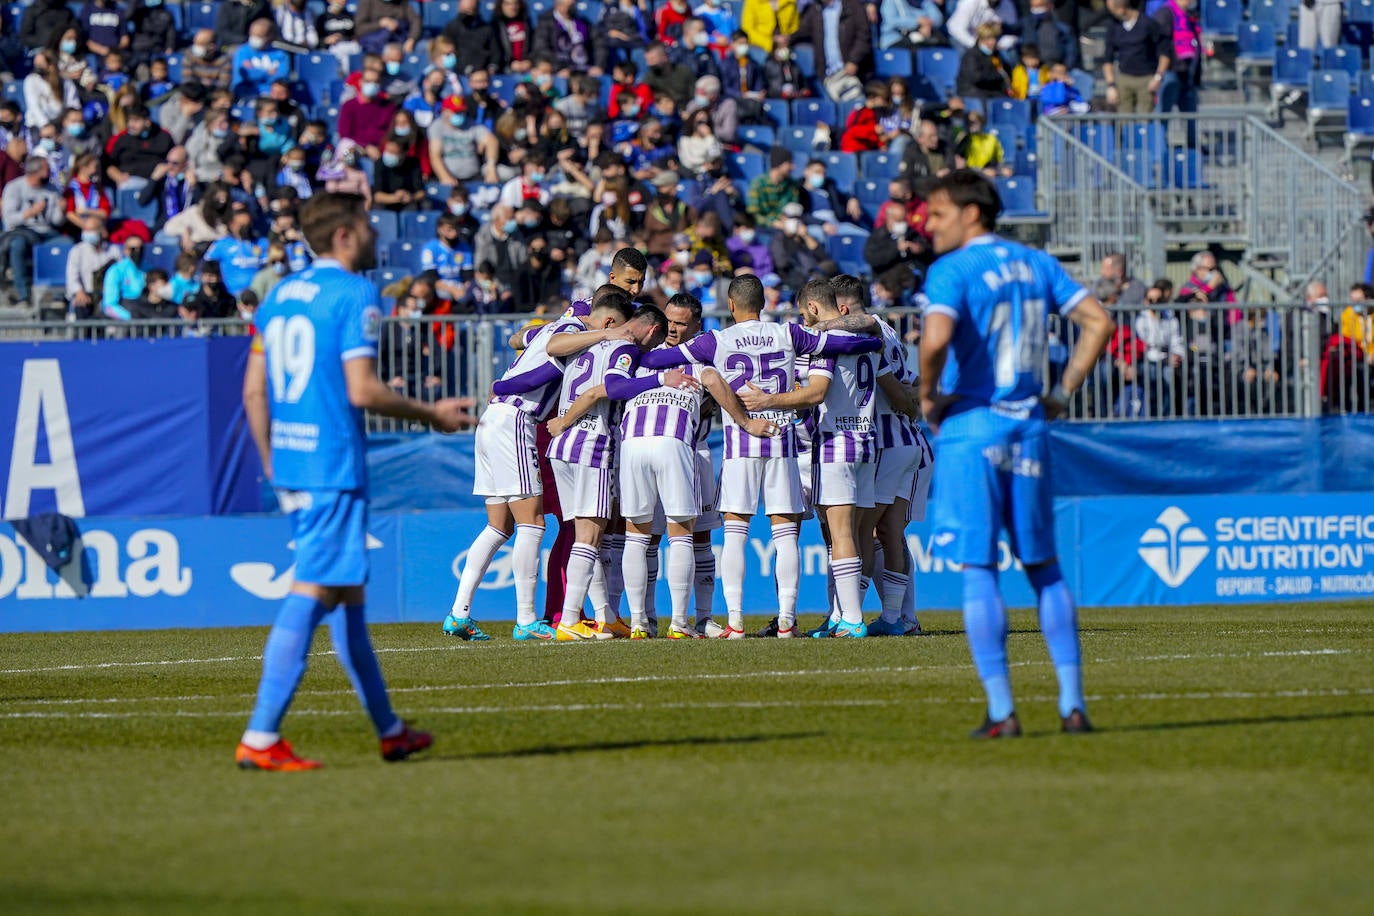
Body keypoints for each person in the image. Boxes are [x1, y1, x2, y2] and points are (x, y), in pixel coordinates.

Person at [236, 191, 471, 771]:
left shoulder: (278, 296)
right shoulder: (354, 294)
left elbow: (252, 390)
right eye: (366, 224)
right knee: (315, 590)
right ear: (343, 234)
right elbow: (362, 390)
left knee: (349, 605)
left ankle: (390, 730)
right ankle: (261, 737)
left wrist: (271, 461)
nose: (374, 235)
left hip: (294, 464)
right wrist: (433, 414)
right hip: (332, 467)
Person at [916, 169, 1115, 738]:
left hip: (973, 426)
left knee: (979, 568)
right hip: (1029, 426)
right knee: (1045, 569)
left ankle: (1003, 710)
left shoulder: (952, 269)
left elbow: (934, 340)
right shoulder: (1036, 262)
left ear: (970, 213)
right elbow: (1098, 322)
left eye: (937, 213)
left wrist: (929, 395)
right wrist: (1062, 392)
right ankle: (1073, 704)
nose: (929, 225)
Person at [640, 274, 883, 637]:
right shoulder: (789, 333)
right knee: (785, 536)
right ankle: (787, 619)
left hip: (740, 445)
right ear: (763, 304)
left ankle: (735, 621)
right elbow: (838, 345)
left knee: (736, 534)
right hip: (782, 442)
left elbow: (661, 359)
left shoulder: (715, 340)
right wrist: (872, 340)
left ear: (732, 305)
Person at [442, 277, 646, 641]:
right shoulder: (575, 331)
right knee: (533, 524)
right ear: (608, 320)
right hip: (516, 419)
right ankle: (526, 620)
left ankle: (459, 612)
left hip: (495, 421)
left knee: (498, 527)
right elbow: (551, 357)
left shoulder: (558, 324)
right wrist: (503, 385)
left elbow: (519, 338)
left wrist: (508, 374)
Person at [0, 158, 65, 310]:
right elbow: (9, 219)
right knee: (17, 246)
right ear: (35, 172)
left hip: (46, 233)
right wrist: (31, 212)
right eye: (46, 170)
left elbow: (56, 221)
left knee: (66, 244)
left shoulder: (52, 189)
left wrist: (61, 210)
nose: (49, 173)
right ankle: (23, 295)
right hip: (22, 231)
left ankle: (59, 295)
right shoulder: (14, 187)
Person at [1102, 0, 1170, 115]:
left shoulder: (1148, 24)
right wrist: (1111, 85)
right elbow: (1108, 59)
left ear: (1122, 8)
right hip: (1125, 78)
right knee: (1124, 119)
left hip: (1146, 79)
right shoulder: (1114, 26)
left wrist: (1158, 76)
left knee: (1145, 120)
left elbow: (1164, 52)